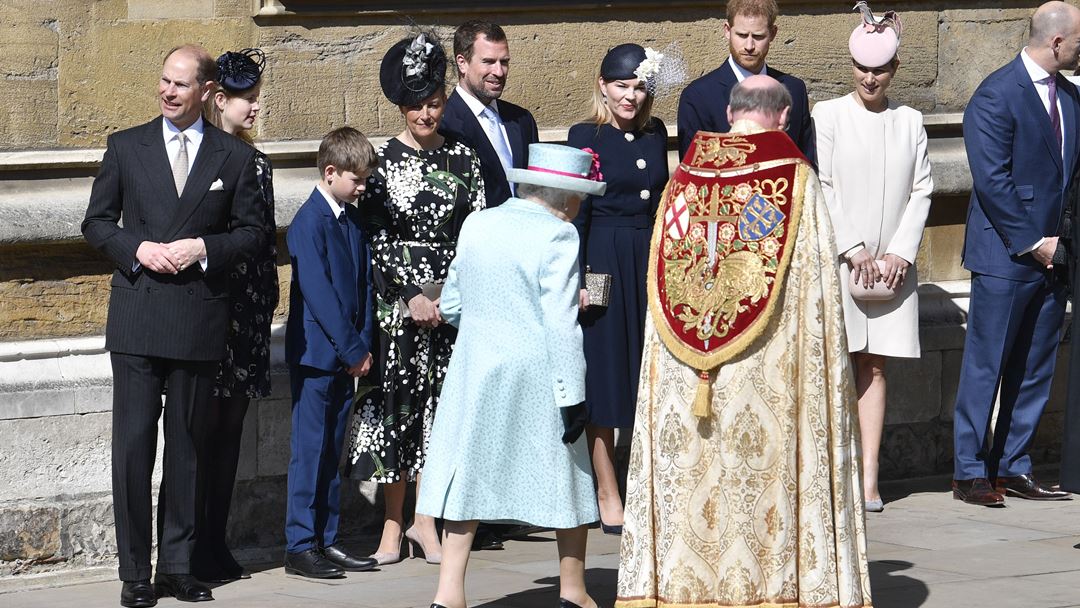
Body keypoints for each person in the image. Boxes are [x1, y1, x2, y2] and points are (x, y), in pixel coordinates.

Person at [615, 75, 872, 608]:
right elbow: (816, 300)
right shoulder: (793, 181)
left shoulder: (683, 181)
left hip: (687, 382)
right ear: (781, 118)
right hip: (766, 379)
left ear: (731, 115)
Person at [81, 44, 267, 607]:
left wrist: (201, 248)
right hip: (138, 317)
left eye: (181, 84)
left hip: (198, 321)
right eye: (164, 80)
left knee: (187, 449)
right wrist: (136, 247)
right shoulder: (126, 146)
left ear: (207, 92)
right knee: (134, 449)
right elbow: (95, 222)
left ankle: (178, 567)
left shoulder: (232, 159)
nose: (168, 91)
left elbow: (254, 235)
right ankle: (136, 572)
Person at [416, 143, 606, 608]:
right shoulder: (559, 236)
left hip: (475, 368)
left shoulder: (477, 222)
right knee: (569, 473)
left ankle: (448, 593)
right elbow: (561, 324)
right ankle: (574, 590)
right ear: (563, 195)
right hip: (536, 371)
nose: (580, 206)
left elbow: (454, 303)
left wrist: (489, 324)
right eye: (579, 195)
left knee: (469, 475)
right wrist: (573, 393)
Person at [346, 31, 486, 566]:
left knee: (440, 412)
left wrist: (449, 295)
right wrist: (409, 295)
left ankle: (427, 521)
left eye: (432, 104)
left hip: (451, 303)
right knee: (398, 410)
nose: (425, 115)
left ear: (445, 101)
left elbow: (475, 236)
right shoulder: (381, 164)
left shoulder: (466, 161)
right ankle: (390, 525)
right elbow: (374, 239)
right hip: (398, 306)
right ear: (400, 107)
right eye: (415, 106)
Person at [953, 0, 1080, 506]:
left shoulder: (1071, 98)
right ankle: (969, 470)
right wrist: (1034, 241)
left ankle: (1013, 465)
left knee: (1035, 366)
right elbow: (993, 181)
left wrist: (1061, 244)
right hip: (1007, 256)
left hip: (1057, 256)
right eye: (1078, 43)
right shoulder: (995, 94)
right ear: (1056, 42)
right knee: (988, 363)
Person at [812, 4, 933, 513]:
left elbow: (922, 189)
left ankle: (869, 480)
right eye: (862, 67)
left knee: (875, 368)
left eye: (880, 68)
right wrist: (854, 246)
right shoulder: (828, 115)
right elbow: (824, 183)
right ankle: (829, 475)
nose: (870, 77)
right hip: (843, 260)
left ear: (895, 70)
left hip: (892, 269)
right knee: (831, 366)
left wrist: (900, 254)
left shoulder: (911, 120)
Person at [566, 43, 674, 533]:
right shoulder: (585, 136)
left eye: (638, 86)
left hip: (646, 259)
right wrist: (583, 283)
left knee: (646, 374)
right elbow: (577, 217)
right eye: (621, 86)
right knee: (606, 377)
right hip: (604, 263)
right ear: (603, 86)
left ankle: (645, 484)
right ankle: (607, 491)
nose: (630, 96)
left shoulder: (655, 134)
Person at [190, 47, 279, 584]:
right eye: (247, 99)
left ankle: (215, 542)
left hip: (247, 314)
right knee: (201, 435)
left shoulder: (256, 159)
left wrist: (265, 303)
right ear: (219, 100)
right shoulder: (208, 160)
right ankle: (191, 546)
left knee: (230, 435)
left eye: (256, 98)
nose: (254, 108)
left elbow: (263, 242)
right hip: (212, 312)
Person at [283, 127, 381, 578]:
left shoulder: (351, 219)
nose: (362, 188)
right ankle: (301, 544)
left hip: (346, 355)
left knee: (332, 454)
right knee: (310, 450)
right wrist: (350, 346)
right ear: (330, 172)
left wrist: (361, 343)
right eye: (357, 180)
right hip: (317, 357)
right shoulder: (309, 222)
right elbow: (319, 293)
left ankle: (328, 538)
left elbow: (362, 285)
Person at [676, 0, 815, 163]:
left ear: (773, 33)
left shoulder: (795, 89)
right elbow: (693, 174)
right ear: (727, 30)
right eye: (742, 35)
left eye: (758, 36)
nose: (749, 46)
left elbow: (806, 164)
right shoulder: (697, 96)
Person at [440, 19, 539, 208]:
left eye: (504, 62)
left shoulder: (522, 119)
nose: (499, 71)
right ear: (462, 63)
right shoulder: (443, 123)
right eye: (488, 62)